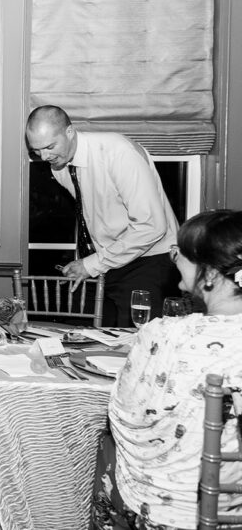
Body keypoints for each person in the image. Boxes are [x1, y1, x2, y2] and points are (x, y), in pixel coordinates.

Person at [93, 209, 242, 529]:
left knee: (100, 443)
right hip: (234, 505)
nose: (173, 260)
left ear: (211, 274)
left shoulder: (163, 335)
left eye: (179, 254)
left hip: (165, 508)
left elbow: (123, 417)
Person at [24, 105, 178, 326]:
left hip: (148, 259)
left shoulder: (118, 152)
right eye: (36, 150)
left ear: (69, 132)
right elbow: (93, 214)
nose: (44, 156)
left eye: (49, 146)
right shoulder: (59, 166)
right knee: (94, 343)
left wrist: (92, 264)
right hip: (110, 260)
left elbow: (151, 225)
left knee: (138, 344)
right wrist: (90, 261)